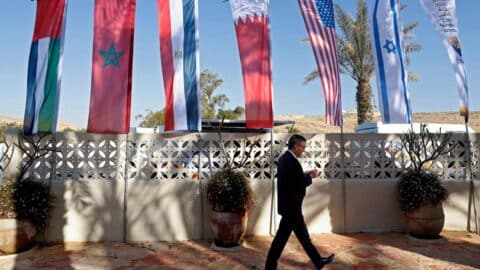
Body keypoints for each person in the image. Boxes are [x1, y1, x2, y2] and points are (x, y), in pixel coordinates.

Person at [265, 134, 334, 270]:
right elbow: (299, 184)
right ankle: (269, 266)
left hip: (291, 207)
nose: (303, 149)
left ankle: (318, 261)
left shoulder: (286, 158)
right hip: (292, 208)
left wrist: (306, 173)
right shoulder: (291, 161)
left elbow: (292, 178)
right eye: (302, 147)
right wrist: (312, 176)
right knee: (281, 240)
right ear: (295, 146)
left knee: (303, 237)